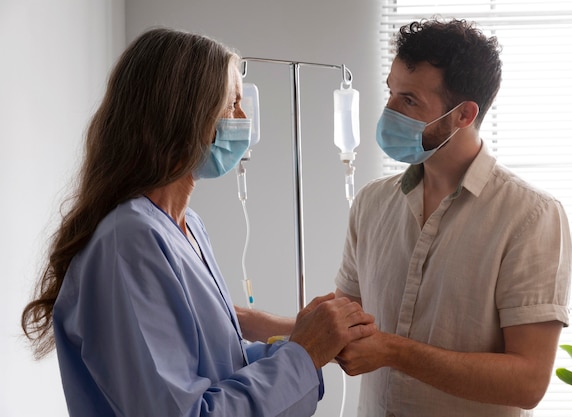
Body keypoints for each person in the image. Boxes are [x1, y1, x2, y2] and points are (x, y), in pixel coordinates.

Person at [20, 27, 376, 417]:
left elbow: (222, 364)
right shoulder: (129, 240)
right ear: (183, 114)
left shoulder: (187, 228)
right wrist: (302, 355)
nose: (243, 120)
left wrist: (306, 342)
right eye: (232, 104)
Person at [236, 18, 572, 417]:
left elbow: (528, 383)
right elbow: (336, 332)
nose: (389, 111)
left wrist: (394, 352)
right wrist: (239, 318)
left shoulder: (530, 217)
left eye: (409, 100)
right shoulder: (372, 204)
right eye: (391, 93)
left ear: (463, 115)